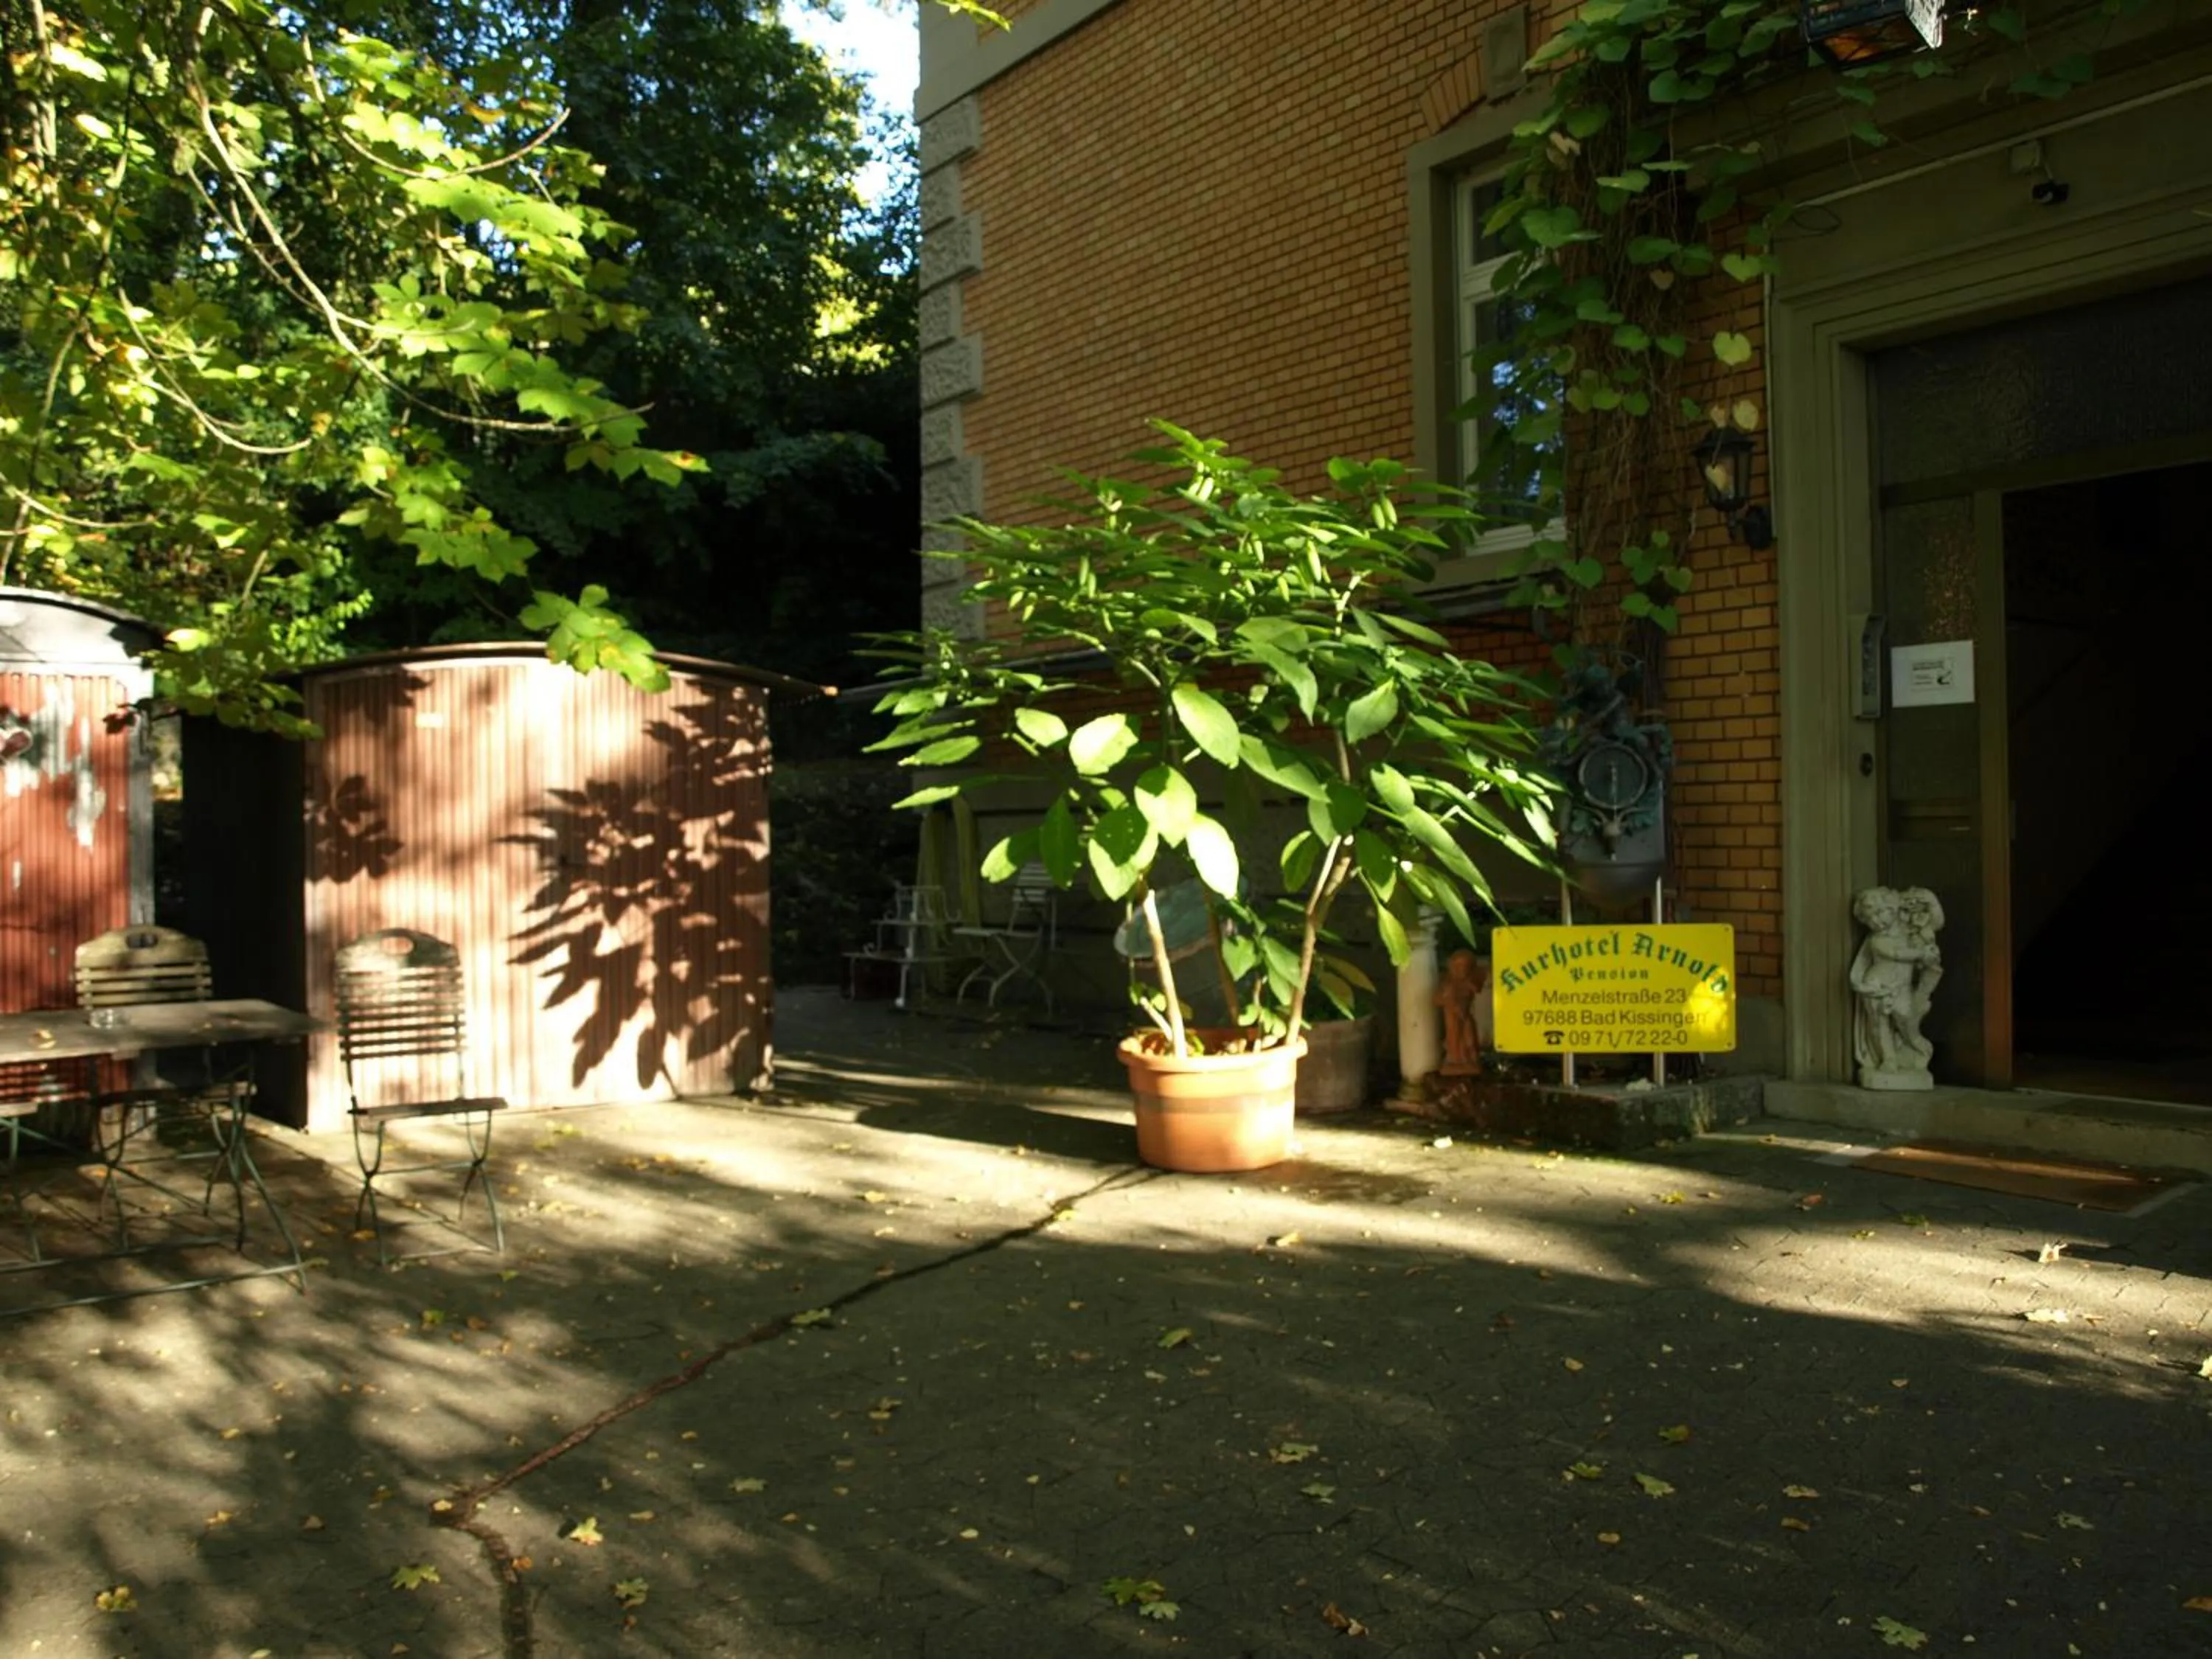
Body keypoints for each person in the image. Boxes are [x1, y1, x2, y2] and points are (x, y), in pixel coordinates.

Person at [1435, 950, 1487, 1076]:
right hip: (1452, 1016)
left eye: (1464, 967)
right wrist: (1447, 997)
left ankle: (1470, 1059)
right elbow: (1437, 1000)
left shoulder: (1469, 981)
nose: (1461, 970)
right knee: (1454, 1037)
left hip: (1465, 1014)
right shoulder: (1447, 982)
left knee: (1469, 1037)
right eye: (1458, 967)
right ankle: (1454, 1059)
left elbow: (1477, 987)